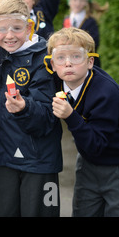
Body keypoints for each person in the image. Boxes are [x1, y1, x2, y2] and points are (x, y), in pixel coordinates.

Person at [0, 0, 62, 217]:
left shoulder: (46, 59)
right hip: (3, 159)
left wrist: (24, 108)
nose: (9, 35)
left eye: (17, 28)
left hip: (39, 162)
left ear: (29, 26)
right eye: (2, 28)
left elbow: (48, 119)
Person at [45, 27, 119, 217]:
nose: (68, 63)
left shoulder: (107, 93)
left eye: (76, 57)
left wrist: (71, 116)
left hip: (113, 162)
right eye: (60, 58)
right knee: (83, 211)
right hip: (87, 162)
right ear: (52, 64)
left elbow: (97, 145)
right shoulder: (56, 79)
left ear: (90, 62)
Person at [63, 0, 108, 67]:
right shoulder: (67, 19)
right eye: (74, 0)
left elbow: (94, 43)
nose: (77, 3)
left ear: (86, 3)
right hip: (70, 61)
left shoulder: (90, 21)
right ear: (69, 1)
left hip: (87, 62)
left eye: (81, 0)